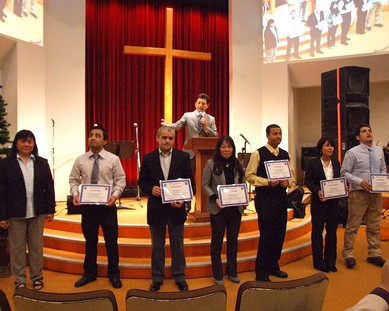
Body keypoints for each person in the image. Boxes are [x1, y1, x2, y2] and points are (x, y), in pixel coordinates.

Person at [69, 125, 126, 289]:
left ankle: (114, 274)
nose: (93, 138)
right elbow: (73, 180)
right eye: (91, 135)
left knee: (111, 242)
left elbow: (121, 179)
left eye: (97, 135)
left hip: (107, 207)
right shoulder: (80, 160)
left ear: (105, 141)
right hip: (88, 207)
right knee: (90, 241)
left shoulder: (113, 159)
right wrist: (75, 194)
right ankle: (89, 273)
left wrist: (115, 195)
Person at [139, 126, 193, 292]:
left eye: (170, 138)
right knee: (157, 246)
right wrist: (151, 189)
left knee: (178, 246)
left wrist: (183, 200)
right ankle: (157, 277)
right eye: (164, 138)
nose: (167, 141)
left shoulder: (183, 157)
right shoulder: (148, 158)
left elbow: (190, 183)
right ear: (157, 138)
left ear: (174, 139)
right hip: (156, 209)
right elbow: (142, 182)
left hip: (176, 209)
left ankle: (179, 276)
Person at [0, 130, 55, 290]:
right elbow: (1, 191)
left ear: (34, 144)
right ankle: (20, 280)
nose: (26, 144)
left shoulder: (41, 163)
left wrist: (50, 209)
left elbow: (49, 188)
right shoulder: (5, 164)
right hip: (15, 213)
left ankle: (37, 277)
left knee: (36, 247)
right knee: (17, 249)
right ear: (16, 143)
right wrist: (2, 215)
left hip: (37, 212)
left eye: (30, 141)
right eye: (23, 141)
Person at [245, 124, 295, 281]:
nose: (278, 136)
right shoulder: (258, 153)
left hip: (281, 199)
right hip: (265, 200)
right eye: (275, 134)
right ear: (268, 136)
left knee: (279, 234)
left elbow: (293, 176)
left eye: (280, 134)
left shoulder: (286, 154)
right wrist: (267, 182)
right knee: (266, 235)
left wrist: (289, 182)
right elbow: (249, 176)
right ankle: (261, 271)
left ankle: (274, 265)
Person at [341, 124, 386, 269]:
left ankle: (374, 253)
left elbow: (383, 169)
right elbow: (344, 172)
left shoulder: (379, 151)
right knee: (353, 225)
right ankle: (348, 254)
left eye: (370, 130)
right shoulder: (352, 153)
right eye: (364, 131)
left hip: (376, 194)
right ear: (358, 137)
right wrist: (360, 182)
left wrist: (384, 181)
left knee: (374, 225)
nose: (368, 133)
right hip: (358, 193)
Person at [202, 135, 246, 285]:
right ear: (218, 148)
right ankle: (217, 273)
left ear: (233, 148)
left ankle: (232, 272)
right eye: (223, 147)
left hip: (235, 210)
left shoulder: (238, 164)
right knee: (217, 242)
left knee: (233, 241)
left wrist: (244, 198)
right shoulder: (211, 164)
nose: (226, 150)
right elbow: (205, 185)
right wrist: (215, 198)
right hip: (218, 209)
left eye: (229, 147)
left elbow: (243, 183)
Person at [304, 137, 341, 273]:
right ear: (321, 148)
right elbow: (307, 181)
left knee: (332, 232)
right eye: (327, 146)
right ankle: (319, 262)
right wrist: (317, 191)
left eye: (332, 146)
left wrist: (343, 187)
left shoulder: (336, 163)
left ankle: (331, 261)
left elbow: (338, 180)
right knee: (317, 232)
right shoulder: (313, 163)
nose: (330, 148)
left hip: (333, 203)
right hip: (319, 202)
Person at [160, 93, 218, 160]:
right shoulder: (187, 116)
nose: (200, 105)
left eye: (203, 103)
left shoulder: (211, 119)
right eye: (199, 103)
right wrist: (169, 125)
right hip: (190, 152)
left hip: (205, 153)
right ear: (195, 104)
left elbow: (215, 135)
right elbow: (177, 126)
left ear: (207, 105)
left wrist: (206, 127)